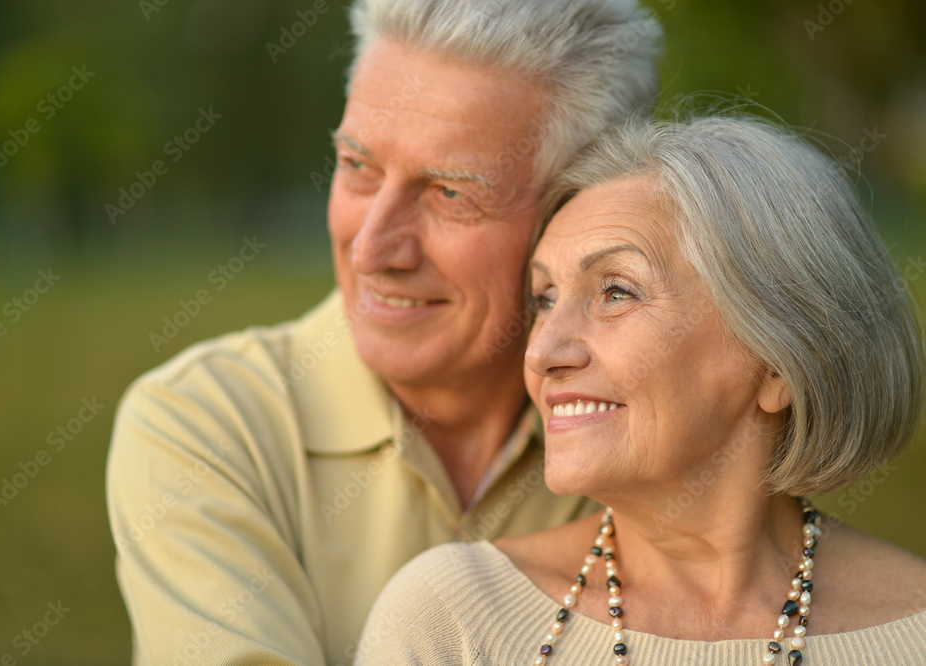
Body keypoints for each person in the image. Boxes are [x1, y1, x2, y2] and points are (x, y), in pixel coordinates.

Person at [106, 1, 662, 664]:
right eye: (358, 167)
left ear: (580, 214)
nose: (372, 248)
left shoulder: (665, 440)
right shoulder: (206, 424)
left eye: (450, 194)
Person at [354, 113, 926, 665]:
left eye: (617, 292)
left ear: (780, 362)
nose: (541, 352)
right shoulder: (451, 616)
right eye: (545, 299)